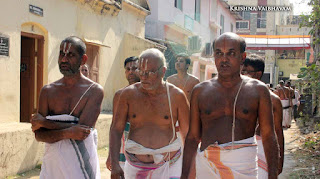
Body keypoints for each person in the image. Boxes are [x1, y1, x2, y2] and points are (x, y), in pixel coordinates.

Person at [181, 32, 279, 179]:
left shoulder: (258, 90)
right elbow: (192, 137)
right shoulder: (200, 91)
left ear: (242, 57)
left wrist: (273, 175)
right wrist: (184, 175)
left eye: (231, 53)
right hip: (208, 167)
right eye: (219, 53)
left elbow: (268, 136)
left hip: (244, 167)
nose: (224, 59)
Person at [30, 36, 104, 179]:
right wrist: (69, 131)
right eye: (61, 54)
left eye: (70, 55)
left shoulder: (94, 91)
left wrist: (44, 123)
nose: (64, 59)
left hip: (81, 165)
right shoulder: (47, 91)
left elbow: (82, 132)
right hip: (53, 164)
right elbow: (39, 135)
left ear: (83, 60)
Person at [109, 48, 190, 179]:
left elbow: (188, 135)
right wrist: (115, 163)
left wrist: (188, 169)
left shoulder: (176, 96)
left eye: (150, 72)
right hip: (135, 166)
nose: (144, 77)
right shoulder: (128, 95)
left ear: (163, 71)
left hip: (169, 165)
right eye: (141, 71)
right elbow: (116, 129)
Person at [242, 54, 284, 178]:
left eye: (246, 71)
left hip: (263, 151)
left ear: (258, 74)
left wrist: (279, 162)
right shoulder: (236, 97)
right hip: (241, 152)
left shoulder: (273, 100)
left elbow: (278, 132)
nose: (242, 74)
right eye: (241, 71)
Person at [106, 56, 140, 170]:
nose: (131, 72)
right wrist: (110, 154)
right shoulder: (119, 95)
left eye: (134, 68)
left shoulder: (148, 95)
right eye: (128, 69)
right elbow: (114, 125)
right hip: (122, 147)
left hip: (143, 146)